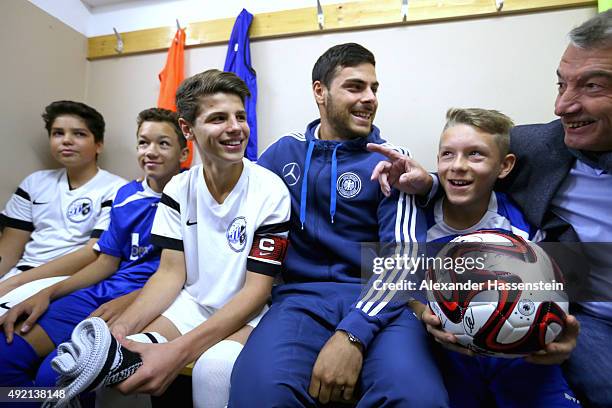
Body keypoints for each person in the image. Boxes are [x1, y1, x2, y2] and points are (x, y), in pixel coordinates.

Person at [229, 43, 448, 407]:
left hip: (380, 301)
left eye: (374, 88)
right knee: (259, 393)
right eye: (355, 87)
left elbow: (404, 261)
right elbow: (235, 209)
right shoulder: (284, 153)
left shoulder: (390, 160)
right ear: (320, 91)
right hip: (300, 300)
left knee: (417, 398)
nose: (369, 98)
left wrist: (353, 334)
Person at [109, 70, 291, 408]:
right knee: (121, 356)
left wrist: (178, 351)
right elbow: (169, 274)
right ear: (187, 129)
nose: (236, 127)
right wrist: (119, 328)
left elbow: (257, 290)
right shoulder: (178, 188)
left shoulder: (270, 190)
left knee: (214, 369)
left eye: (240, 116)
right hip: (192, 305)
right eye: (218, 118)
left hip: (251, 311)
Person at [0, 108, 187, 390]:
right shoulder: (127, 195)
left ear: (183, 153)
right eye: (143, 142)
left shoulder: (194, 195)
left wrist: (131, 302)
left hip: (153, 299)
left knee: (56, 377)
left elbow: (190, 277)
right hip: (103, 291)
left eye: (163, 143)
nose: (151, 151)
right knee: (5, 355)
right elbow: (105, 263)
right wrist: (46, 293)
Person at [409, 107, 579, 407]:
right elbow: (388, 279)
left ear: (504, 166)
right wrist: (422, 311)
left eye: (475, 154)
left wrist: (557, 332)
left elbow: (556, 298)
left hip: (520, 358)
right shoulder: (414, 221)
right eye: (447, 154)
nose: (458, 166)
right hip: (449, 355)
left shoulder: (524, 229)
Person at [499, 10, 612, 406]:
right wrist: (423, 182)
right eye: (562, 84)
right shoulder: (536, 147)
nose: (562, 105)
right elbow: (462, 173)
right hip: (589, 320)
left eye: (592, 86)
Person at [0, 101, 126, 308]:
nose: (66, 140)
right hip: (18, 275)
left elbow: (92, 253)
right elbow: (9, 250)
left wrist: (17, 282)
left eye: (79, 134)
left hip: (63, 281)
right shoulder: (35, 182)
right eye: (58, 133)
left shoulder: (116, 189)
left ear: (99, 144)